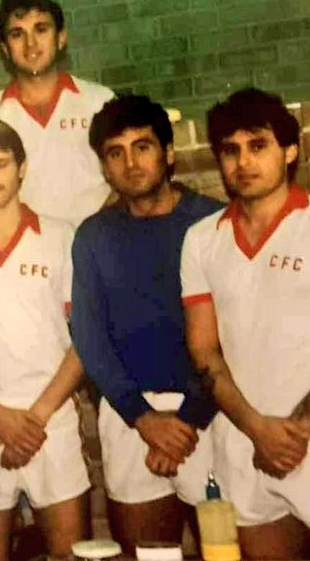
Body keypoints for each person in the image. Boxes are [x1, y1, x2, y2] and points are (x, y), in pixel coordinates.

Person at [182, 88, 310, 559]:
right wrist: (257, 430)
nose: (243, 162)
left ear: (290, 151)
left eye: (258, 145)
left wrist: (294, 433)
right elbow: (203, 349)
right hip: (243, 442)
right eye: (230, 150)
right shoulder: (201, 240)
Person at [71, 95, 223, 554]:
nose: (131, 163)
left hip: (211, 413)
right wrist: (142, 418)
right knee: (149, 554)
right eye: (115, 153)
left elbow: (233, 331)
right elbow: (90, 336)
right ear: (104, 167)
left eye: (142, 147)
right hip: (130, 417)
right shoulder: (94, 236)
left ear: (168, 153)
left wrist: (189, 419)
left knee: (224, 549)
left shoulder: (213, 222)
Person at [0, 119, 90, 559]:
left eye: (1, 164)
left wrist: (35, 418)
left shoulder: (60, 237)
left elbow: (85, 339)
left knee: (71, 555)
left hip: (49, 419)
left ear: (22, 168)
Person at [0, 0, 114, 228]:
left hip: (100, 239)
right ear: (4, 48)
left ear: (61, 38)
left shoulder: (100, 102)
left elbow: (125, 181)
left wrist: (95, 233)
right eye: (17, 34)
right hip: (28, 246)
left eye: (41, 29)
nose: (31, 43)